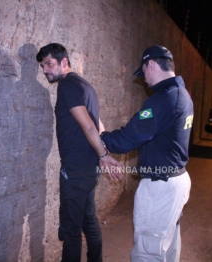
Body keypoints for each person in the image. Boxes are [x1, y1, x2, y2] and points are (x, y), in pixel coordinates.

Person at [100, 45, 193, 261]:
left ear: (150, 65)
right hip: (175, 180)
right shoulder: (182, 95)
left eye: (143, 73)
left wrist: (102, 137)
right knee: (167, 246)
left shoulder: (163, 100)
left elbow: (127, 139)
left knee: (148, 251)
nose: (144, 80)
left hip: (160, 187)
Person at [36, 43, 122, 262]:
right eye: (42, 65)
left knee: (71, 229)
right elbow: (98, 123)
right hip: (87, 167)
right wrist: (104, 153)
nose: (45, 70)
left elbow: (89, 126)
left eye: (49, 64)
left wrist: (104, 156)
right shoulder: (85, 85)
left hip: (76, 169)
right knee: (88, 219)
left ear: (64, 62)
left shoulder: (67, 85)